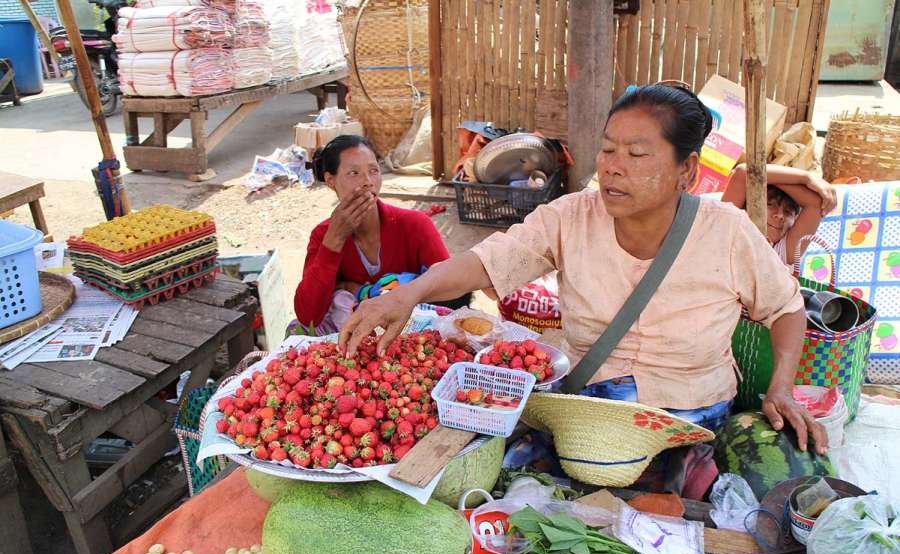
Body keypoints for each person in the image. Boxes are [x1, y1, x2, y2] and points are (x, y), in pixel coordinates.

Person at [338, 85, 828, 459]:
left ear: (688, 171)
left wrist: (781, 386)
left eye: (637, 155)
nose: (613, 167)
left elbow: (786, 308)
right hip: (584, 407)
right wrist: (409, 293)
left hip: (687, 418)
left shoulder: (726, 232)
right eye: (608, 149)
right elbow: (488, 260)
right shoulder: (571, 216)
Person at [292, 135, 454, 335]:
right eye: (354, 173)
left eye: (373, 171)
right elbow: (308, 316)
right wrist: (334, 240)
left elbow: (451, 289)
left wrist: (396, 293)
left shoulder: (415, 224)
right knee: (294, 330)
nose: (368, 182)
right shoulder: (323, 235)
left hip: (411, 335)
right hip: (354, 339)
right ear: (330, 180)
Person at [717, 164, 837, 266]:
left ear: (795, 220)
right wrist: (805, 178)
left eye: (788, 211)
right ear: (745, 208)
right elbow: (743, 173)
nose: (780, 215)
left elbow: (815, 202)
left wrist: (763, 179)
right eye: (769, 204)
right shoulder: (727, 230)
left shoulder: (782, 254)